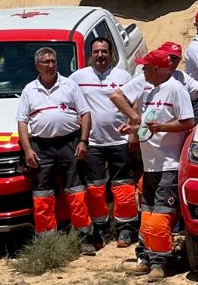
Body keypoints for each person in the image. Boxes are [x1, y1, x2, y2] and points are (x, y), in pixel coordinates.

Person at [114, 46, 197, 282]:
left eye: (146, 68)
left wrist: (162, 128)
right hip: (150, 165)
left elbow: (187, 121)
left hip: (168, 165)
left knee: (161, 215)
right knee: (147, 214)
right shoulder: (150, 91)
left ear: (158, 69)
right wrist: (132, 129)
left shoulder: (176, 90)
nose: (142, 71)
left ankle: (160, 264)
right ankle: (146, 258)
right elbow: (148, 124)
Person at [16, 47, 96, 254]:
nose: (51, 65)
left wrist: (83, 141)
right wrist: (27, 150)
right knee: (42, 194)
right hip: (41, 146)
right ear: (37, 66)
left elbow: (85, 114)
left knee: (76, 192)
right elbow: (22, 122)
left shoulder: (69, 85)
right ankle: (47, 241)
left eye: (53, 61)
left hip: (70, 143)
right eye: (46, 62)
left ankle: (84, 238)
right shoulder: (29, 90)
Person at [70, 37, 139, 248]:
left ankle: (125, 229)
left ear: (111, 54)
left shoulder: (123, 76)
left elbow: (134, 104)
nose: (100, 55)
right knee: (95, 188)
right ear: (90, 55)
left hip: (119, 140)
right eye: (96, 52)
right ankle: (99, 228)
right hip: (92, 142)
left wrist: (133, 135)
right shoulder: (77, 77)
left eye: (104, 52)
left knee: (124, 187)